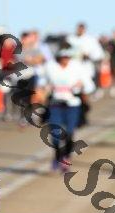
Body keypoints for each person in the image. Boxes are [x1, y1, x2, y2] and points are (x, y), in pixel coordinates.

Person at [38, 43, 95, 172]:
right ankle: (57, 156)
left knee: (69, 133)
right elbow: (41, 82)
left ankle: (66, 157)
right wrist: (44, 88)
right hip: (55, 105)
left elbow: (90, 86)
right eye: (62, 56)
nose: (65, 59)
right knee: (55, 135)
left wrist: (81, 85)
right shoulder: (50, 66)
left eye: (67, 56)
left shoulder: (78, 67)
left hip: (72, 105)